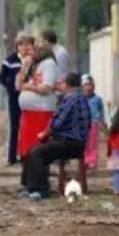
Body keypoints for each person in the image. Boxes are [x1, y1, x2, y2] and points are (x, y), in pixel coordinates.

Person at [21, 72, 90, 201]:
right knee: (33, 150)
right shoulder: (81, 97)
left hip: (70, 143)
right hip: (78, 142)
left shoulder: (70, 99)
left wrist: (44, 133)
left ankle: (39, 190)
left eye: (61, 82)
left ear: (67, 84)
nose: (59, 85)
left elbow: (56, 123)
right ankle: (30, 187)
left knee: (37, 152)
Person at [16, 42, 59, 160]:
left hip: (41, 110)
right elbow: (18, 85)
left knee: (38, 150)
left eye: (30, 50)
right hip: (29, 112)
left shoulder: (49, 64)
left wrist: (28, 87)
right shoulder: (33, 65)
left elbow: (46, 88)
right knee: (27, 151)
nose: (26, 52)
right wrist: (24, 67)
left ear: (39, 51)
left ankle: (39, 174)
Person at [0, 36, 34, 166]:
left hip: (31, 97)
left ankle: (26, 156)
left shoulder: (34, 61)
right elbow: (1, 78)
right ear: (17, 46)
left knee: (28, 126)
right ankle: (11, 157)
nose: (24, 48)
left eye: (27, 45)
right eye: (21, 45)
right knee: (14, 126)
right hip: (14, 98)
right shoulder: (9, 60)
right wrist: (11, 87)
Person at [82, 75, 105, 169]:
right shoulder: (81, 98)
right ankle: (85, 159)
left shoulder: (97, 99)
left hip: (94, 122)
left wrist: (102, 120)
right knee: (85, 142)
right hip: (83, 123)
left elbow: (101, 110)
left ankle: (92, 160)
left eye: (90, 85)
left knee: (93, 142)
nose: (88, 87)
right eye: (86, 85)